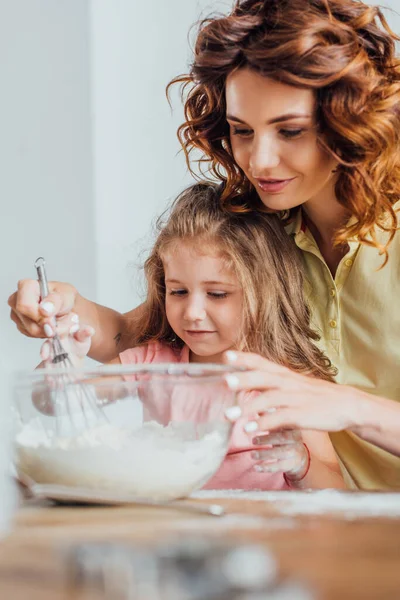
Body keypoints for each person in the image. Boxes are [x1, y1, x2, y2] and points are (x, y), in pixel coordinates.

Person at [9, 0, 400, 489]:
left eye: (290, 130)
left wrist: (351, 408)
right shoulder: (259, 230)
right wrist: (66, 308)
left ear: (350, 119)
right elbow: (143, 339)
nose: (259, 160)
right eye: (242, 131)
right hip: (318, 528)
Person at [38, 182, 345, 491]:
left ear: (265, 293)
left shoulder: (287, 383)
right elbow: (55, 403)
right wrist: (64, 360)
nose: (193, 312)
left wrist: (301, 463)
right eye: (179, 291)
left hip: (265, 535)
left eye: (217, 294)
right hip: (180, 532)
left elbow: (336, 489)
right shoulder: (153, 365)